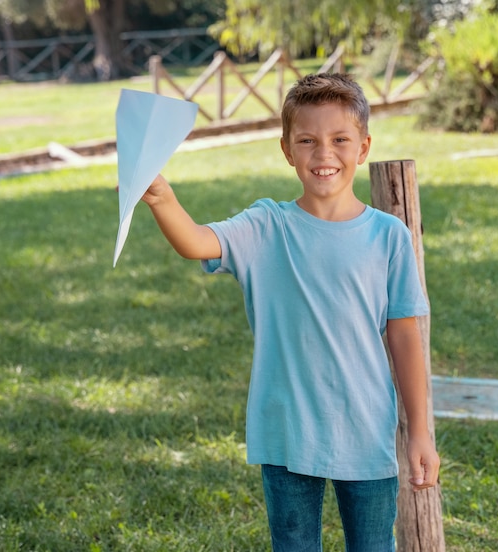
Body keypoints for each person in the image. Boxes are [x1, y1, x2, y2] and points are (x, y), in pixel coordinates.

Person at [140, 73, 440, 551]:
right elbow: (196, 241)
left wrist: (420, 433)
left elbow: (405, 338)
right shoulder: (265, 225)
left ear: (363, 148)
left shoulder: (388, 237)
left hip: (366, 431)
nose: (324, 154)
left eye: (339, 139)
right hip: (287, 435)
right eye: (307, 141)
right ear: (287, 149)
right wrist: (161, 198)